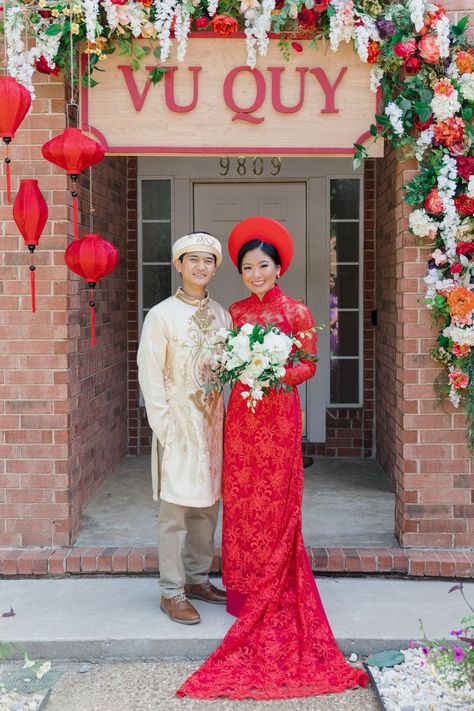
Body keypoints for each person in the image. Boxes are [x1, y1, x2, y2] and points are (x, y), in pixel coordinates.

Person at [178, 217, 368, 697]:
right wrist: (229, 364)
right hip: (241, 419)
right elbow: (220, 360)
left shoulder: (298, 311)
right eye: (247, 268)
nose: (255, 274)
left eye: (263, 266)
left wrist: (271, 373)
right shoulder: (235, 313)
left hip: (278, 417)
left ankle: (275, 586)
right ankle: (242, 590)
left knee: (276, 501)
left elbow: (308, 363)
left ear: (278, 267)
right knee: (242, 501)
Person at [137, 232, 231, 625]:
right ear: (178, 265)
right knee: (175, 511)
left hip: (211, 424)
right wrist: (164, 427)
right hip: (177, 426)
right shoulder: (161, 315)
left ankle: (197, 578)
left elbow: (228, 368)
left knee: (207, 507)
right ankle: (171, 591)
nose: (200, 267)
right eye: (192, 260)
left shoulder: (223, 315)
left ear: (214, 267)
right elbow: (150, 374)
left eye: (208, 260)